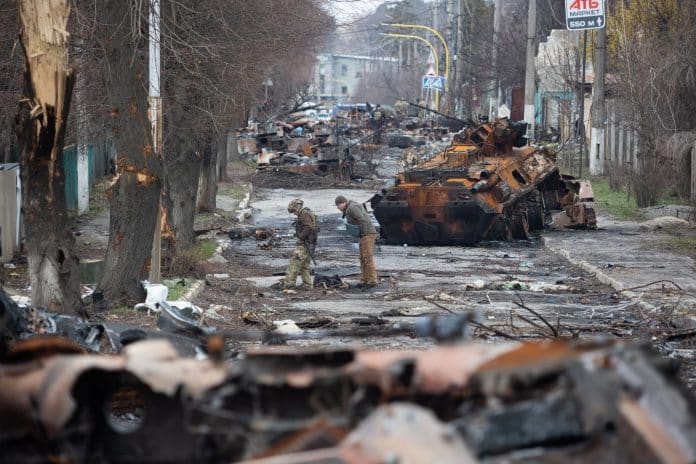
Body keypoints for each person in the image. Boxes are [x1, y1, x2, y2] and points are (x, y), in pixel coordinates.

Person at [335, 195, 378, 289]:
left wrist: (363, 234)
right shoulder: (350, 207)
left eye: (338, 205)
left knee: (367, 258)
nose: (338, 207)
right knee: (362, 258)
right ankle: (364, 280)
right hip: (365, 235)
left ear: (344, 202)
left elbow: (361, 219)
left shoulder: (352, 207)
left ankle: (372, 281)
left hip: (367, 234)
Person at [283, 198, 319, 290]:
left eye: (294, 211)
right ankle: (307, 284)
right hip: (310, 243)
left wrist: (301, 237)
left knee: (295, 262)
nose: (294, 213)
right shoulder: (306, 213)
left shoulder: (304, 214)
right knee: (304, 266)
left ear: (297, 208)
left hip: (305, 243)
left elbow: (309, 227)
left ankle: (289, 284)